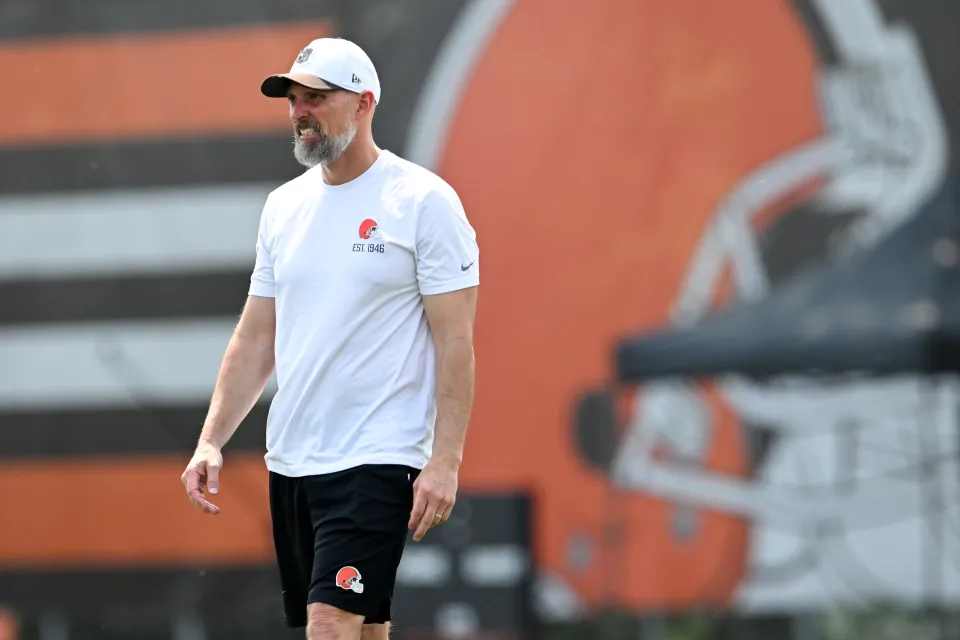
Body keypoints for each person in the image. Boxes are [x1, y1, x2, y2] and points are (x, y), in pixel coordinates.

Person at [179, 37, 479, 639]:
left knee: (329, 622)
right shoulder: (282, 207)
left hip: (378, 455)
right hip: (293, 458)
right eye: (293, 100)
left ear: (364, 103)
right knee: (363, 628)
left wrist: (444, 461)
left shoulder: (423, 201)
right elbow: (255, 339)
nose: (300, 112)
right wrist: (211, 441)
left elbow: (455, 343)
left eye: (316, 98)